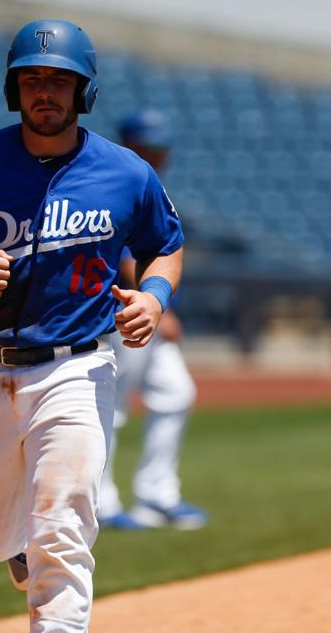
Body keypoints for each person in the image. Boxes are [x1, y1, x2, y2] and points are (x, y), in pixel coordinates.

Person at [0, 20, 184, 633]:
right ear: (13, 89)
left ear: (85, 92)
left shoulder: (126, 172)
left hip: (77, 366)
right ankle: (16, 541)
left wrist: (154, 297)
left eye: (59, 80)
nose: (44, 92)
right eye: (31, 79)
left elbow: (167, 246)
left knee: (65, 519)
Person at [97, 110, 208, 531]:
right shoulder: (114, 177)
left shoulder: (146, 179)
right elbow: (123, 255)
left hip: (148, 310)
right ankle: (101, 502)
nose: (160, 153)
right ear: (131, 143)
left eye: (162, 146)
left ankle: (158, 495)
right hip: (122, 313)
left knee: (176, 392)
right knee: (111, 408)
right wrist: (159, 309)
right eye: (151, 145)